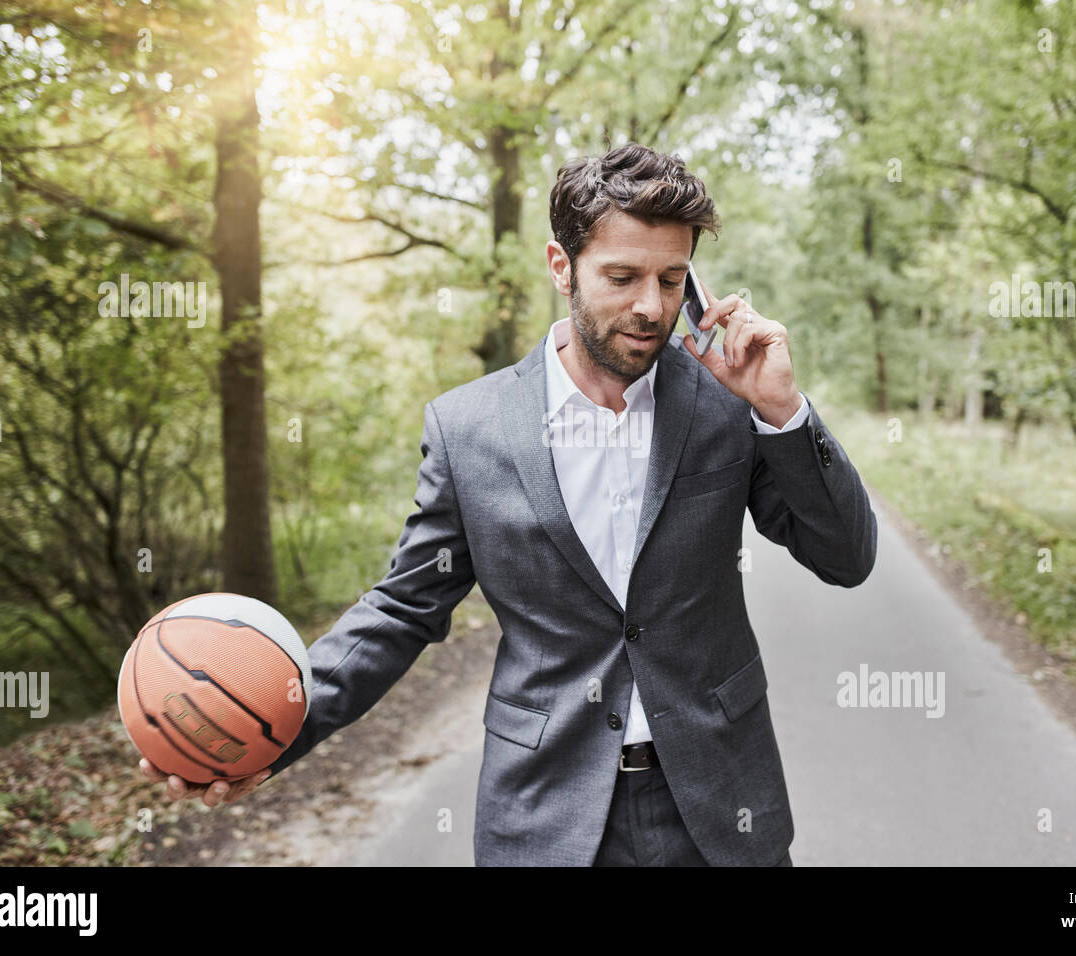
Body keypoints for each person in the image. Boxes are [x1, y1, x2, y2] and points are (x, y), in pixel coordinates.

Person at [141, 142, 878, 866]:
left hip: (722, 809)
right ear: (561, 267)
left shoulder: (728, 401)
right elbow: (402, 610)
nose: (651, 307)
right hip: (548, 820)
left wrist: (782, 412)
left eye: (671, 279)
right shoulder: (469, 431)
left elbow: (847, 558)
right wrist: (273, 731)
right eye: (621, 276)